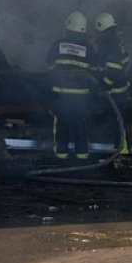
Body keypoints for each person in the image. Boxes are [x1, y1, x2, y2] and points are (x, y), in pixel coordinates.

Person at [45, 11, 94, 160]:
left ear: (68, 27)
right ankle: (83, 156)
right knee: (81, 124)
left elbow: (49, 65)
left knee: (62, 125)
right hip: (82, 95)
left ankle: (61, 156)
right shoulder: (89, 48)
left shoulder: (58, 44)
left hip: (62, 94)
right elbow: (95, 70)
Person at [93, 12, 131, 154]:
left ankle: (122, 150)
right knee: (117, 120)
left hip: (114, 91)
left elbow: (113, 71)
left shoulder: (108, 44)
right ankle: (118, 148)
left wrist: (104, 85)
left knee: (116, 121)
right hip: (120, 89)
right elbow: (124, 63)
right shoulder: (116, 41)